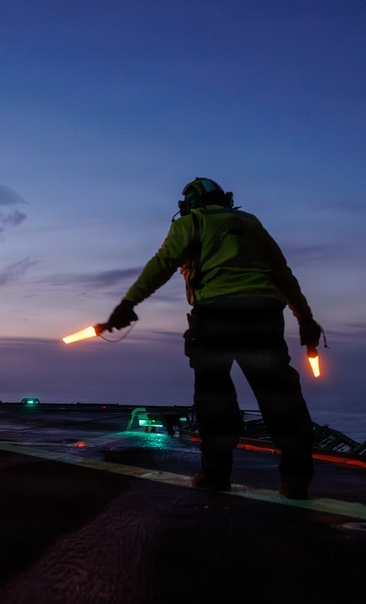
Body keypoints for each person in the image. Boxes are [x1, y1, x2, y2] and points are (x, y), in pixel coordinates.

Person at [105, 177, 323, 499]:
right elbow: (282, 273)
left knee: (215, 397)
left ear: (189, 204)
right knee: (279, 395)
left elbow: (163, 263)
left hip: (216, 316)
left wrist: (128, 303)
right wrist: (305, 317)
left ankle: (215, 475)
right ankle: (296, 480)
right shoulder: (252, 224)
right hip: (264, 316)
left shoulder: (191, 223)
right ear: (225, 199)